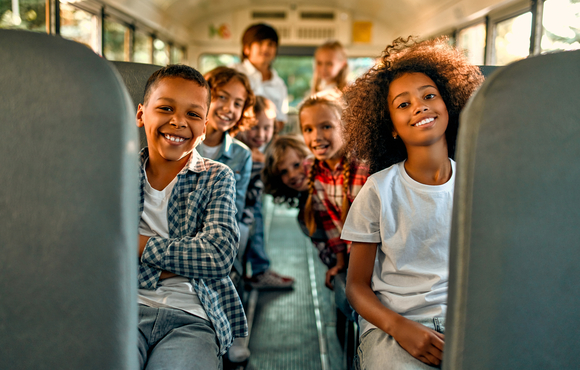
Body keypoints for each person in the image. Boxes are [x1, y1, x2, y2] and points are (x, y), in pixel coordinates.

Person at [340, 37, 484, 369]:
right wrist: (399, 327)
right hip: (394, 326)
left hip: (468, 324)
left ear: (450, 104)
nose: (420, 106)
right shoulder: (379, 190)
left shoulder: (479, 186)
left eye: (429, 96)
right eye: (403, 104)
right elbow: (356, 286)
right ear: (390, 126)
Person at [135, 64, 247, 369]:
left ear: (205, 127)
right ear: (141, 113)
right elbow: (100, 252)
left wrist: (139, 245)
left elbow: (217, 256)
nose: (178, 121)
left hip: (192, 316)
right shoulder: (118, 171)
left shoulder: (216, 177)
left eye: (193, 115)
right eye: (166, 108)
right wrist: (181, 265)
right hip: (121, 310)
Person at [299, 96, 370, 289]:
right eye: (308, 129)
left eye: (326, 126)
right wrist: (340, 263)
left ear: (346, 128)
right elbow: (330, 221)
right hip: (349, 253)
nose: (316, 136)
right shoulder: (312, 167)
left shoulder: (364, 168)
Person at [236, 96, 294, 289]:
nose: (261, 134)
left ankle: (257, 269)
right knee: (256, 220)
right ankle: (259, 271)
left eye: (266, 128)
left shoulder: (260, 152)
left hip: (251, 206)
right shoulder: (246, 154)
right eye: (254, 127)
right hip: (242, 210)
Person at [262, 135, 333, 267]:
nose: (292, 175)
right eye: (283, 172)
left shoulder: (333, 190)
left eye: (296, 165)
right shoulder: (304, 217)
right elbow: (328, 256)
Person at [233, 23, 288, 133]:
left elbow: (281, 120)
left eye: (271, 44)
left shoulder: (279, 84)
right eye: (260, 43)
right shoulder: (233, 73)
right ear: (246, 48)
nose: (266, 48)